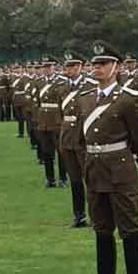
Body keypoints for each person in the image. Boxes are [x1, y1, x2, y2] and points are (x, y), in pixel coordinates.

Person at [78, 41, 138, 274]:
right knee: (102, 228)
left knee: (128, 228)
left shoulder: (128, 99)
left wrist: (129, 158)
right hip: (95, 169)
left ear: (116, 67)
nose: (97, 68)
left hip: (120, 168)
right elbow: (80, 138)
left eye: (103, 64)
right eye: (94, 64)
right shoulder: (85, 97)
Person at [59, 51, 90, 228]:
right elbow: (60, 114)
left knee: (91, 179)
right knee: (75, 180)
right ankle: (79, 215)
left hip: (84, 137)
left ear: (80, 67)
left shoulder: (90, 86)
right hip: (67, 138)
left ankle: (96, 214)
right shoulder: (62, 88)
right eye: (67, 66)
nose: (69, 69)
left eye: (72, 66)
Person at [36, 56, 69, 188]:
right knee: (46, 151)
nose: (46, 69)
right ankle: (50, 179)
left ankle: (62, 178)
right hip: (43, 121)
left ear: (54, 67)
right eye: (44, 66)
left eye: (49, 66)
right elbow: (38, 102)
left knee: (61, 152)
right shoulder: (39, 82)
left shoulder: (62, 81)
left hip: (57, 121)